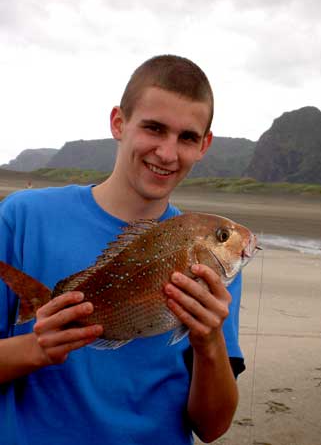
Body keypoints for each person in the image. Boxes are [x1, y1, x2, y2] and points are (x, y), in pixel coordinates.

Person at [0, 55, 245, 445]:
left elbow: (212, 427)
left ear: (205, 145)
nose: (167, 153)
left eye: (187, 137)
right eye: (154, 128)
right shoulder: (22, 219)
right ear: (119, 122)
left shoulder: (211, 265)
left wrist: (209, 341)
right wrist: (36, 346)